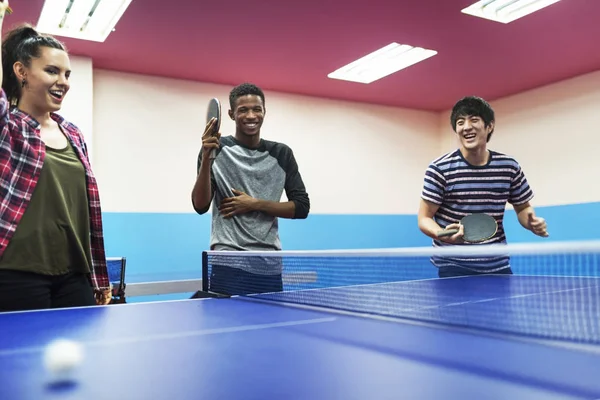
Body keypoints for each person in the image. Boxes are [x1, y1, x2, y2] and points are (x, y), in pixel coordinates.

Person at [0, 10, 112, 312]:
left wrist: (98, 276)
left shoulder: (73, 133)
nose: (63, 82)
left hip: (74, 276)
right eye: (52, 71)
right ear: (21, 71)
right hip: (15, 274)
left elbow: (87, 213)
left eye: (67, 74)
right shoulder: (8, 125)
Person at [191, 82, 310, 295]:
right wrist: (208, 156)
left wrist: (254, 204)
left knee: (269, 327)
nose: (251, 115)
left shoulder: (282, 154)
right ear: (231, 114)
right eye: (243, 110)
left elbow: (301, 208)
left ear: (264, 112)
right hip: (228, 263)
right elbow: (200, 205)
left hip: (269, 265)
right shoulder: (216, 148)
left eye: (257, 109)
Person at [418, 96, 548, 277]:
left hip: (497, 264)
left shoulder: (508, 166)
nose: (466, 127)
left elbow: (523, 207)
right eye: (460, 122)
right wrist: (441, 233)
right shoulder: (440, 169)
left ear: (490, 126)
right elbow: (424, 218)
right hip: (454, 265)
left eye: (474, 120)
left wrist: (531, 222)